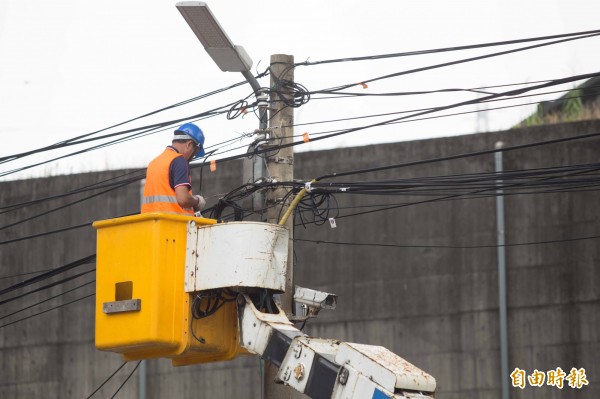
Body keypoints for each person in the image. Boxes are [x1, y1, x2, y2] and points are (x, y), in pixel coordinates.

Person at [141, 123, 206, 216]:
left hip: (151, 225)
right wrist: (197, 201)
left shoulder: (154, 163)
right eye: (194, 152)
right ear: (189, 145)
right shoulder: (179, 160)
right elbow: (183, 199)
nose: (192, 157)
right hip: (174, 226)